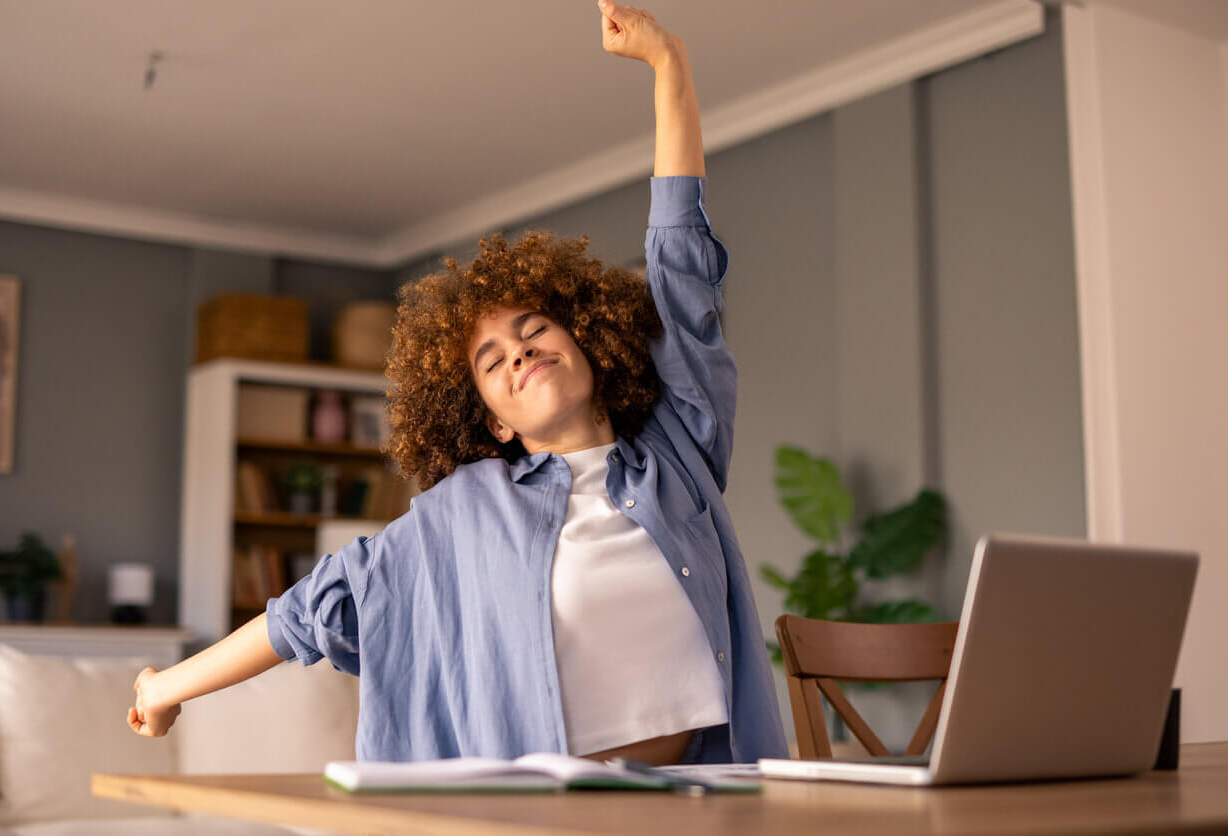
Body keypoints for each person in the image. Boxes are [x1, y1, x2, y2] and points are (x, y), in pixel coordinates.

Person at [129, 0, 785, 766]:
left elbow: (683, 270)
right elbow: (309, 613)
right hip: (549, 813)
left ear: (588, 345)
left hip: (700, 795)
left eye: (534, 329)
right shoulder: (463, 514)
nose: (517, 352)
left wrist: (669, 65)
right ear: (494, 422)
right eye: (490, 359)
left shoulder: (679, 454)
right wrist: (162, 688)